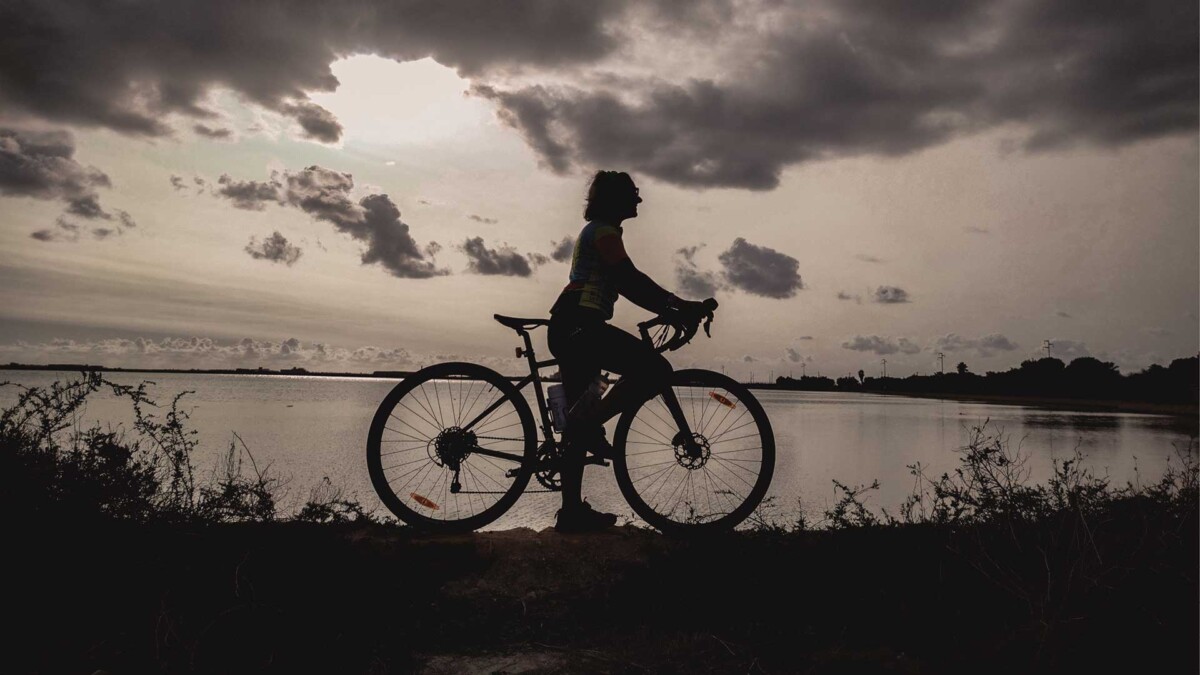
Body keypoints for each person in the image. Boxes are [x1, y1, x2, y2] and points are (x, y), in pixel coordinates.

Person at [547, 170, 714, 533]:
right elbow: (628, 279)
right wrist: (674, 304)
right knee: (655, 369)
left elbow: (628, 283)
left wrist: (670, 307)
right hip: (580, 328)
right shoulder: (604, 232)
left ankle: (571, 512)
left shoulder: (601, 232)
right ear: (615, 200)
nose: (639, 200)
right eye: (633, 194)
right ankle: (591, 428)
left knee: (576, 423)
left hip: (573, 328)